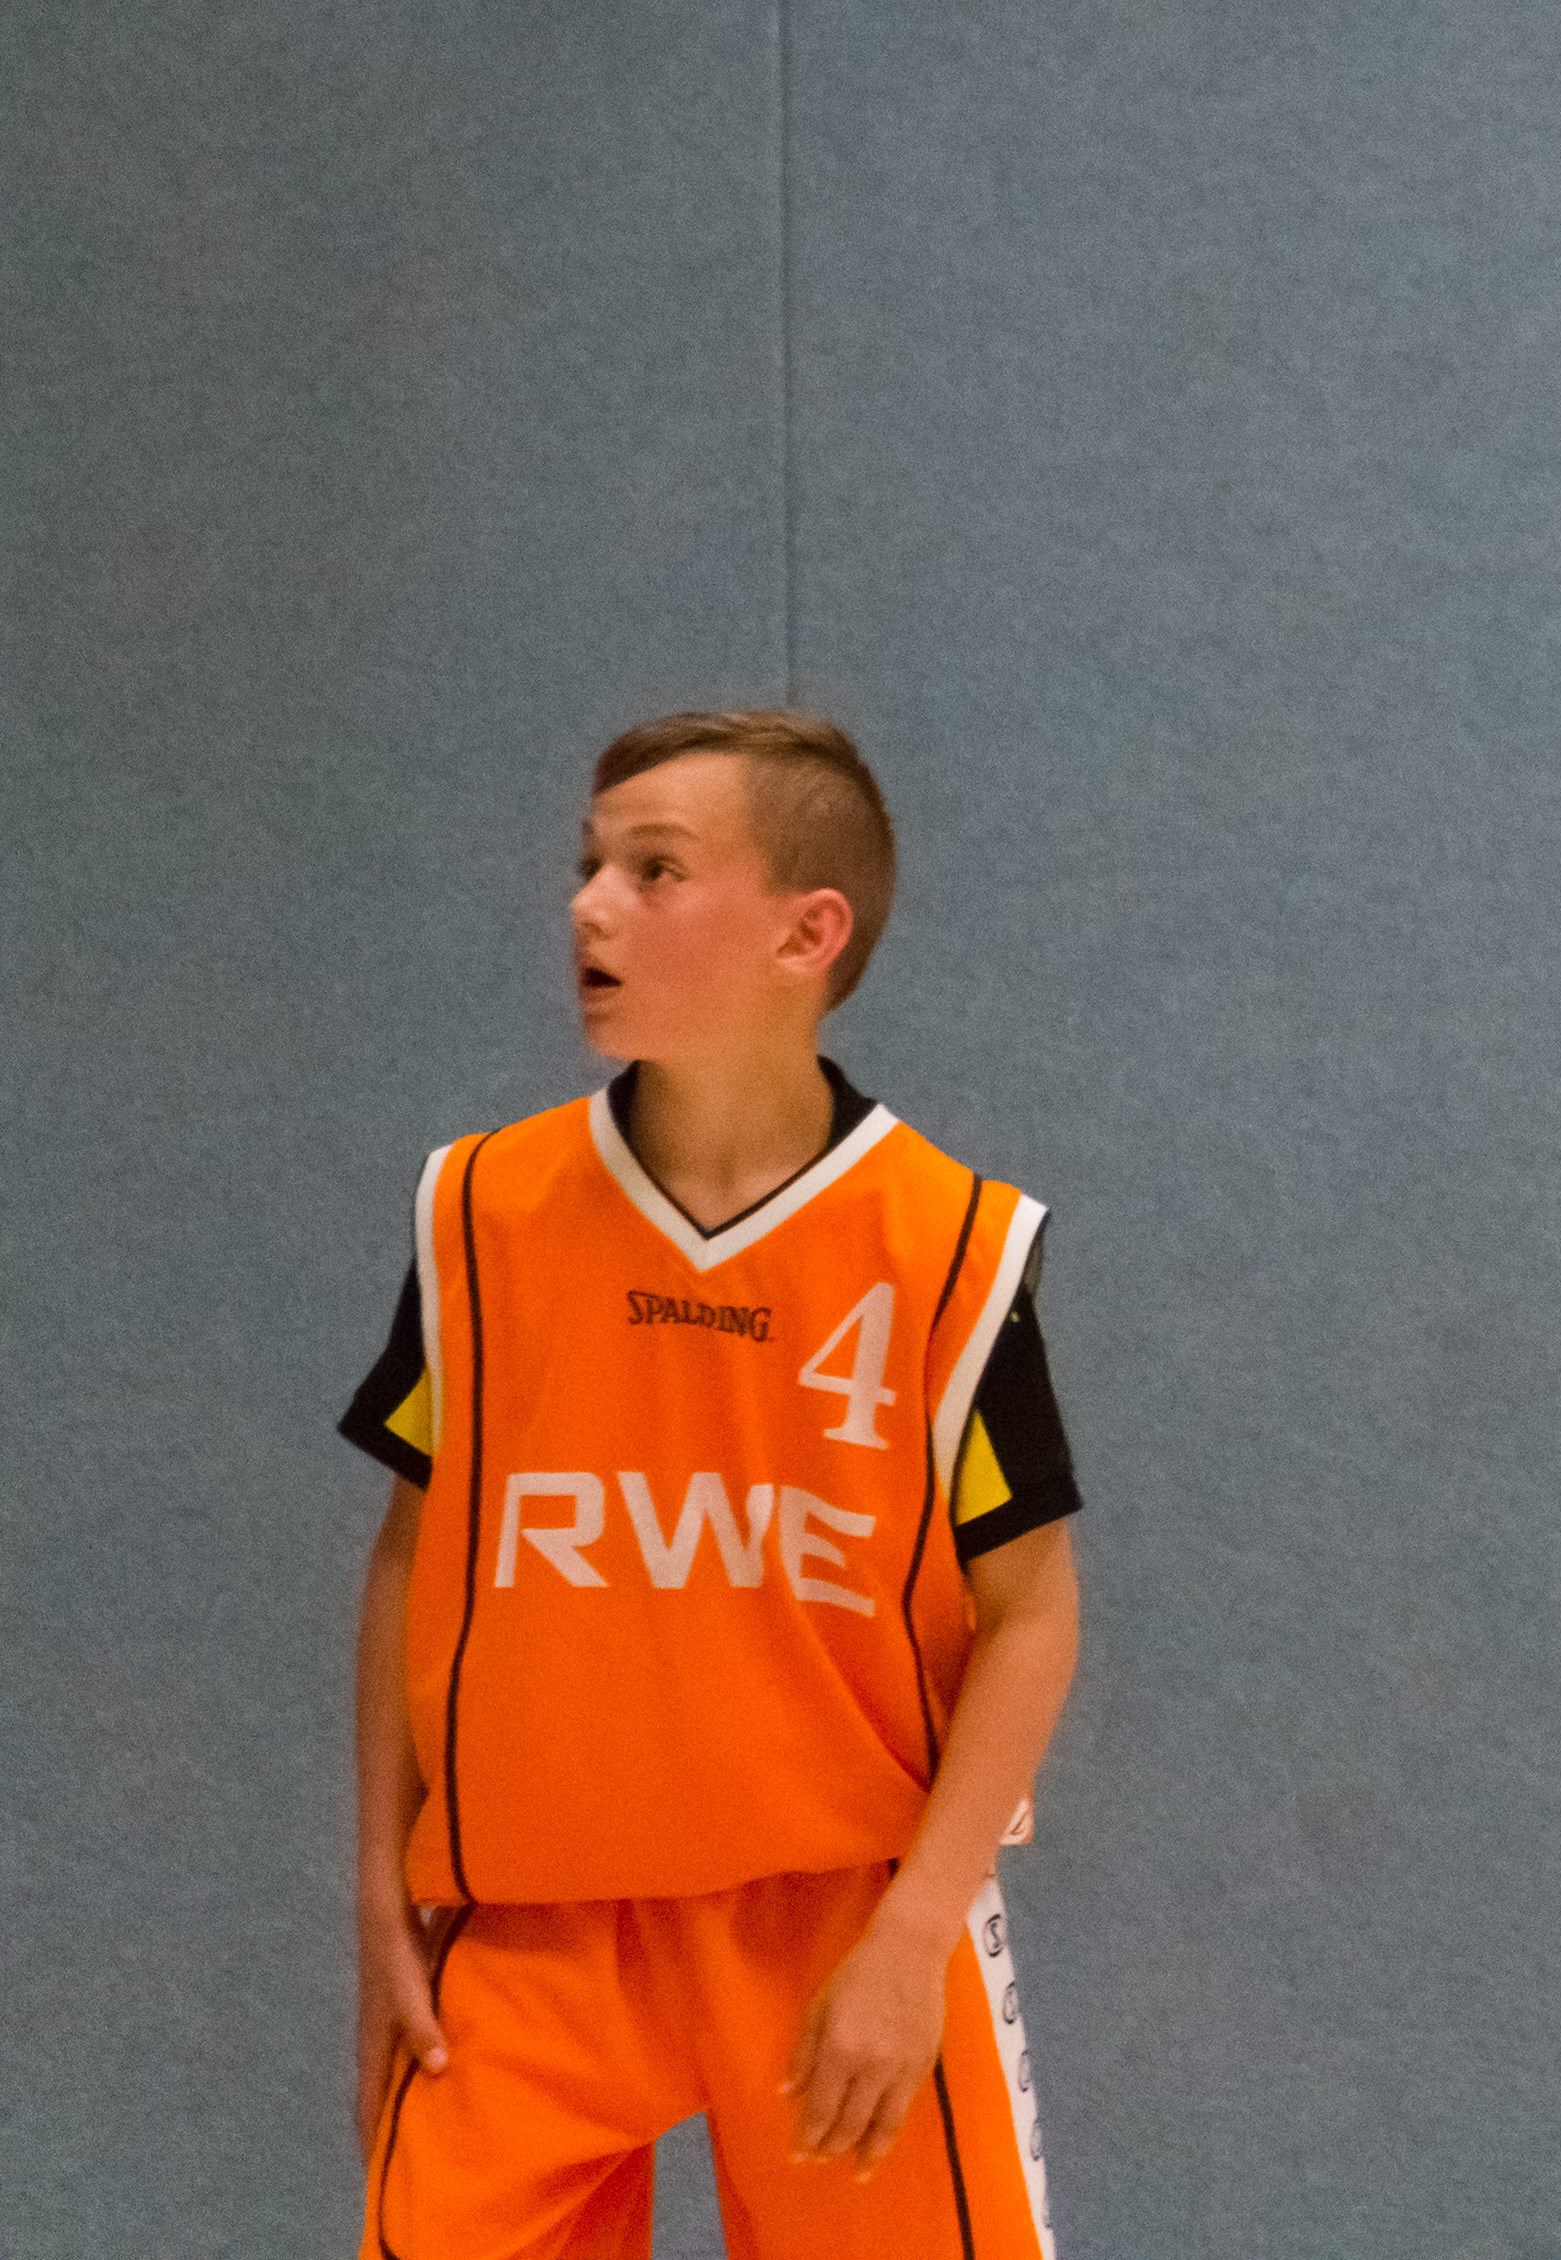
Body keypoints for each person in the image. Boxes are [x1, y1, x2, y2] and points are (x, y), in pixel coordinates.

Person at [341, 710, 1080, 2257]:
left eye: (653, 870)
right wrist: (376, 1897)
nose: (589, 906)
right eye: (588, 865)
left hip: (843, 1918)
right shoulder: (482, 1209)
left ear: (807, 934)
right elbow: (413, 1553)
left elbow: (1031, 1618)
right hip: (531, 1925)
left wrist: (917, 1934)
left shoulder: (947, 1244)